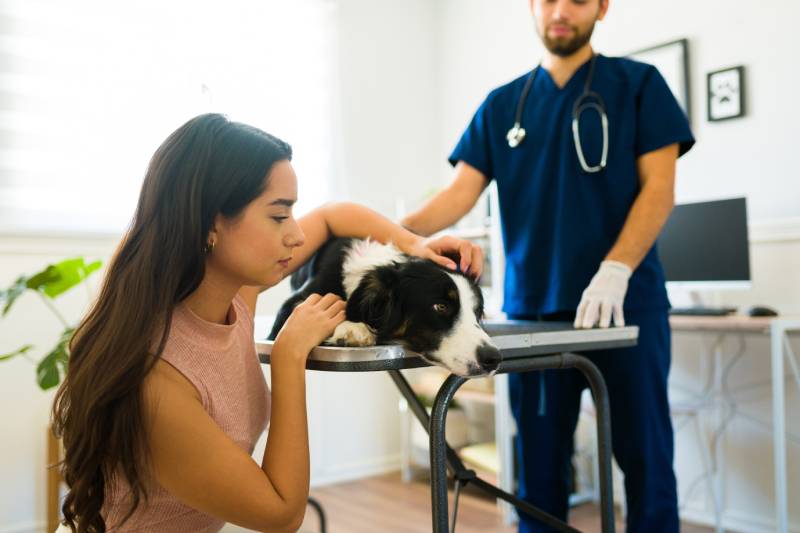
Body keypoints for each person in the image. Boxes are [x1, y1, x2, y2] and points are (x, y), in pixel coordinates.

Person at [51, 113, 481, 532]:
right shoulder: (156, 377)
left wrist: (414, 244)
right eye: (278, 216)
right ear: (211, 224)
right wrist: (289, 355)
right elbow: (281, 515)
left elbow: (333, 215)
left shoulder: (232, 298)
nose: (296, 235)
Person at [401, 1, 695, 531]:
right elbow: (458, 195)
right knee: (538, 471)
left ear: (602, 8)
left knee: (646, 460)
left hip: (626, 308)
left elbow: (660, 188)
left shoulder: (640, 85)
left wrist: (616, 269)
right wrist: (390, 231)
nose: (561, 10)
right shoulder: (503, 106)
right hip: (534, 315)